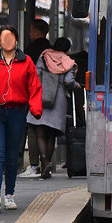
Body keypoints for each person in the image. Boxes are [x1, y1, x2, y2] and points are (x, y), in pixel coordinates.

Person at [0, 26, 42, 212]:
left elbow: (34, 87)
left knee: (12, 156)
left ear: (17, 40)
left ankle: (9, 194)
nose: (7, 41)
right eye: (4, 37)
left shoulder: (26, 61)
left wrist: (36, 110)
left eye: (10, 37)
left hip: (17, 113)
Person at [35, 37, 81, 179]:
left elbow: (36, 74)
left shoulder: (44, 56)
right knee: (51, 134)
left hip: (42, 96)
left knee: (40, 132)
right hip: (58, 100)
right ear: (67, 49)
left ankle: (44, 161)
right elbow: (68, 81)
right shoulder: (68, 61)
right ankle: (47, 166)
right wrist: (76, 85)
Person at [22, 20, 52, 178]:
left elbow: (25, 72)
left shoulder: (31, 50)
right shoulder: (51, 49)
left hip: (34, 93)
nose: (29, 34)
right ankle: (47, 163)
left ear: (36, 32)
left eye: (31, 30)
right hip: (53, 96)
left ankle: (34, 165)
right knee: (49, 130)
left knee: (33, 128)